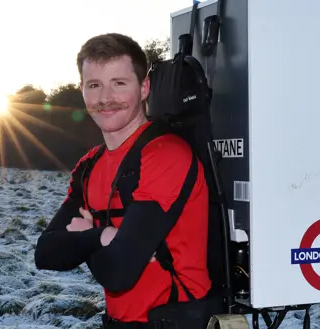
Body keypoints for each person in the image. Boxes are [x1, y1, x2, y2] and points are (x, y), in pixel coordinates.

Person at [34, 33, 212, 327]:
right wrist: (102, 237)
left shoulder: (166, 156)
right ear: (82, 91)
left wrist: (86, 236)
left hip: (176, 321)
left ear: (144, 88)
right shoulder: (89, 166)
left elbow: (119, 274)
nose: (105, 98)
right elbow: (46, 253)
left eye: (119, 83)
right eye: (94, 85)